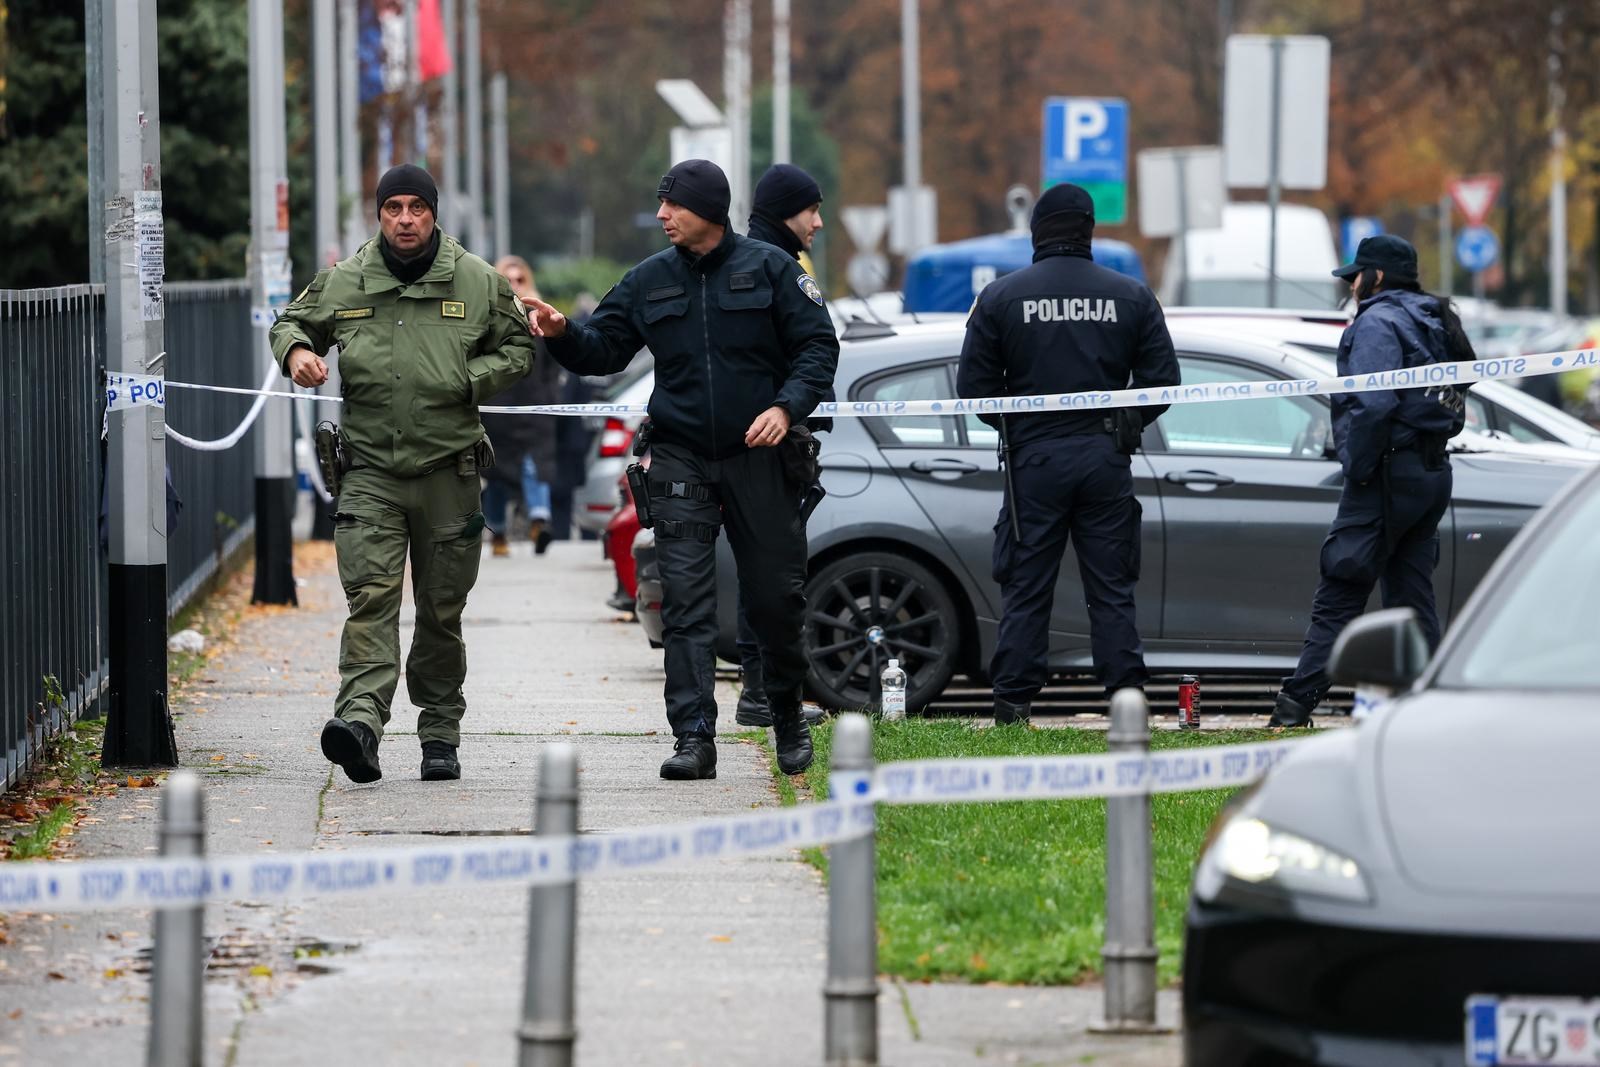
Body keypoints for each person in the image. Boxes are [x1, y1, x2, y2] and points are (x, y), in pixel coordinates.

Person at [523, 160, 838, 780]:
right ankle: (694, 737)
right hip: (681, 457)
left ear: (709, 211)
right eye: (661, 203)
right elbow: (603, 348)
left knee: (776, 598)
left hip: (761, 454)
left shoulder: (771, 269)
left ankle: (785, 715)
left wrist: (785, 406)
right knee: (686, 604)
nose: (662, 214)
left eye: (674, 204)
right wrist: (561, 332)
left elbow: (817, 348)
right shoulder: (649, 279)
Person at [271, 163, 534, 783]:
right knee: (372, 601)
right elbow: (291, 323)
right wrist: (300, 353)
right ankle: (359, 725)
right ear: (380, 214)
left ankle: (440, 733)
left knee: (441, 611)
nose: (406, 219)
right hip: (370, 475)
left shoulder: (476, 280)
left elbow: (519, 347)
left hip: (450, 474)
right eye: (394, 208)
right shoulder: (346, 281)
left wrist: (467, 379)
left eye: (418, 207)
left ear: (434, 213)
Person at [956, 182, 1180, 725]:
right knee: (1111, 587)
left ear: (1037, 231)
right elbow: (1163, 382)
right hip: (1105, 458)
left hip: (1034, 462)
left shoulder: (1002, 296)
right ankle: (1126, 703)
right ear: (1088, 230)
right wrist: (1124, 425)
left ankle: (1013, 705)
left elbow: (973, 387)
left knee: (1027, 586)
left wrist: (1016, 425)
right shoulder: (1130, 295)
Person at [1271, 235, 1472, 727]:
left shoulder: (1379, 322)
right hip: (1429, 471)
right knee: (1410, 594)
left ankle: (1294, 707)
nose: (1352, 285)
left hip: (1387, 472)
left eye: (1356, 276)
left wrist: (1358, 468)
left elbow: (1372, 403)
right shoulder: (1436, 318)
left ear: (1376, 276)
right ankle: (1430, 706)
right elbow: (1459, 394)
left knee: (1341, 585)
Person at [735, 164, 831, 728]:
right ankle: (763, 694)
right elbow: (810, 353)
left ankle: (761, 691)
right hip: (765, 449)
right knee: (771, 576)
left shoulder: (764, 263)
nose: (818, 223)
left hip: (763, 442)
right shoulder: (776, 269)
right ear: (783, 211)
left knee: (765, 576)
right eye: (811, 210)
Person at [483, 255, 559, 555]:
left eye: (520, 280)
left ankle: (540, 519)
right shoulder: (487, 320)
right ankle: (498, 532)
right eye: (508, 280)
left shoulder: (543, 319)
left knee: (534, 468)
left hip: (534, 412)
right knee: (498, 476)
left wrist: (551, 400)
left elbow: (554, 367)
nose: (514, 286)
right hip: (498, 414)